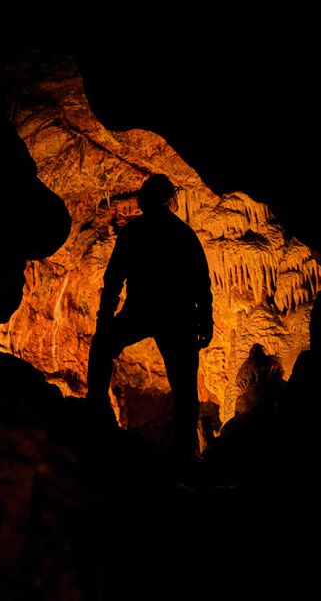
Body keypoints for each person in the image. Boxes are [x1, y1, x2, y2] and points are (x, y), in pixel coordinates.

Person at [86, 174, 213, 460]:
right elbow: (200, 281)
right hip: (176, 316)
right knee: (185, 389)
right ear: (168, 200)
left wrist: (104, 318)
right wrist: (206, 320)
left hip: (142, 311)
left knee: (102, 347)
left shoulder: (135, 232)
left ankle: (96, 409)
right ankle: (185, 450)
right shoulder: (182, 233)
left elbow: (114, 277)